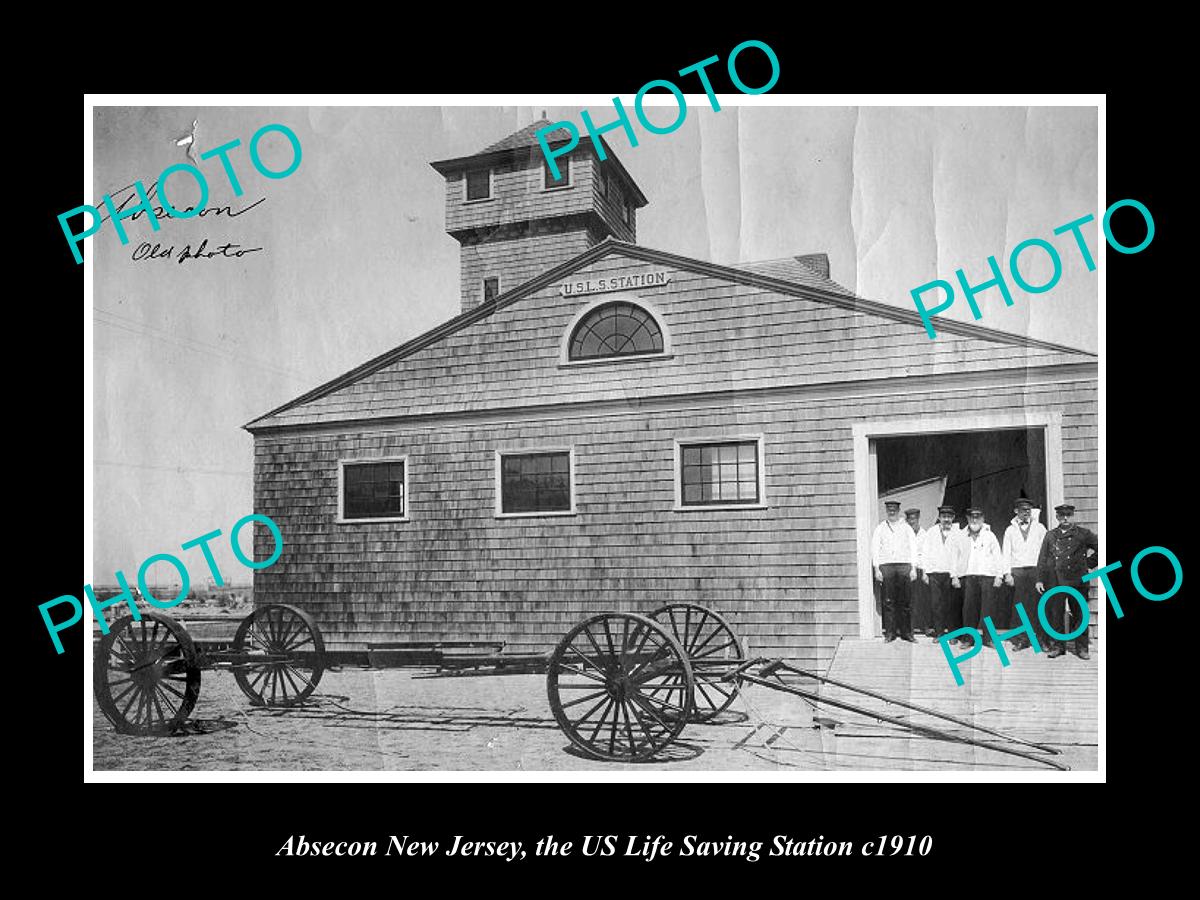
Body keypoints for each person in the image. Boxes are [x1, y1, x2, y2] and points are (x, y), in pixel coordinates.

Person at [1036, 503, 1099, 659]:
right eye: (1062, 515)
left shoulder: (1083, 534)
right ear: (1057, 517)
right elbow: (1042, 558)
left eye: (1068, 515)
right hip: (1055, 580)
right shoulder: (1050, 535)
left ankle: (1082, 648)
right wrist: (1039, 579)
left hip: (1078, 580)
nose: (1065, 518)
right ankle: (1058, 647)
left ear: (1073, 516)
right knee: (1056, 614)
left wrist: (1088, 564)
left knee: (1080, 614)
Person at [1001, 498, 1048, 652]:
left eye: (1028, 510)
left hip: (1035, 571)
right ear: (1016, 511)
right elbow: (1006, 553)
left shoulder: (1040, 528)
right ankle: (1021, 639)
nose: (1026, 513)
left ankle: (1041, 639)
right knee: (1020, 606)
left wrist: (1043, 574)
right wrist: (1007, 574)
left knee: (1038, 605)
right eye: (1023, 510)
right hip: (1018, 571)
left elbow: (1045, 552)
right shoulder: (1010, 530)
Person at [955, 507, 1004, 646]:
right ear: (968, 519)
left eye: (978, 517)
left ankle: (989, 638)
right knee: (969, 609)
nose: (974, 520)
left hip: (987, 576)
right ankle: (969, 639)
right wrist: (954, 576)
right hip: (969, 576)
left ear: (983, 519)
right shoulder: (961, 536)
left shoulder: (990, 535)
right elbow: (955, 556)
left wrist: (999, 575)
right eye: (972, 517)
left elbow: (997, 556)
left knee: (988, 609)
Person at [872, 499, 918, 642]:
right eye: (889, 510)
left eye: (894, 510)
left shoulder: (906, 528)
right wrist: (876, 568)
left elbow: (913, 548)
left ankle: (907, 633)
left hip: (904, 566)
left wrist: (913, 568)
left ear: (898, 511)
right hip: (887, 566)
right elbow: (874, 549)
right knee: (889, 601)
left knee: (906, 601)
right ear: (886, 511)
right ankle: (890, 633)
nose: (892, 512)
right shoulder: (880, 528)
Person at [921, 505, 961, 640]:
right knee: (936, 604)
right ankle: (939, 633)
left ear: (953, 518)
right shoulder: (931, 532)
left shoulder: (958, 533)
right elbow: (925, 552)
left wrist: (955, 575)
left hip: (950, 574)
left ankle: (953, 634)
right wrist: (925, 572)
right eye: (944, 517)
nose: (946, 520)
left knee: (951, 605)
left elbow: (958, 555)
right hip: (934, 573)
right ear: (939, 518)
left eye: (949, 517)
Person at [906, 508, 933, 637]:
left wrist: (925, 573)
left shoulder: (925, 534)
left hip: (921, 569)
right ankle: (909, 628)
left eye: (914, 519)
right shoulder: (904, 534)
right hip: (909, 570)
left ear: (918, 519)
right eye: (910, 519)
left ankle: (925, 626)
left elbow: (927, 555)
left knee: (923, 600)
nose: (912, 522)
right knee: (909, 599)